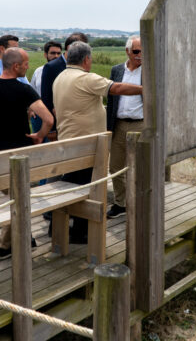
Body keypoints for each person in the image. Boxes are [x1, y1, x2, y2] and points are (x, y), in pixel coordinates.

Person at [52, 41, 142, 242]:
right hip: (86, 144)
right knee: (86, 188)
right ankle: (78, 232)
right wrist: (144, 89)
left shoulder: (60, 77)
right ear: (86, 59)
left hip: (67, 140)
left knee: (73, 184)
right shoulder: (86, 78)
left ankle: (56, 224)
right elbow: (116, 88)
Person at [0, 47, 53, 259]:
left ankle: (11, 242)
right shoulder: (24, 90)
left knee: (16, 197)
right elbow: (49, 119)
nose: (28, 67)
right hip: (20, 156)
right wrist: (39, 136)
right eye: (26, 64)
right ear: (16, 66)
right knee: (18, 197)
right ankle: (9, 244)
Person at [105, 35, 143, 219]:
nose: (140, 55)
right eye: (136, 51)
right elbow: (111, 99)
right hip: (119, 125)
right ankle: (121, 204)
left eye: (143, 51)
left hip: (142, 124)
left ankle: (142, 203)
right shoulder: (117, 70)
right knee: (116, 167)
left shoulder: (150, 71)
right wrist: (108, 126)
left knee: (142, 167)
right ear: (127, 51)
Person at [40, 32, 89, 140]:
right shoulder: (51, 67)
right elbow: (47, 98)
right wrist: (52, 128)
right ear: (69, 48)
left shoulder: (83, 65)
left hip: (78, 124)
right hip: (58, 126)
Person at [29, 40, 62, 133]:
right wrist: (31, 110)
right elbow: (32, 92)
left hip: (57, 115)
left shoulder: (65, 72)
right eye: (52, 53)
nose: (56, 56)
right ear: (45, 55)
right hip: (39, 116)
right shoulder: (38, 71)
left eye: (58, 53)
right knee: (38, 145)